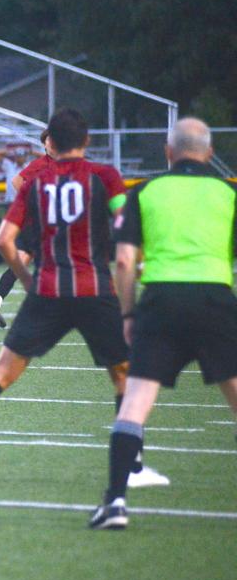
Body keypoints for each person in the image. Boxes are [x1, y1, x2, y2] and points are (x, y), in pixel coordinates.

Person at [0, 108, 166, 486]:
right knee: (123, 375)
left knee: (1, 372)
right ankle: (132, 468)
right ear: (85, 141)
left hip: (48, 288)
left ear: (51, 141)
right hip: (94, 287)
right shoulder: (104, 176)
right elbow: (125, 224)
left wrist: (27, 281)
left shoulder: (37, 182)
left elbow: (4, 239)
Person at [89, 118, 237, 529]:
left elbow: (123, 261)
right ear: (208, 153)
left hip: (161, 302)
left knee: (135, 404)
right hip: (215, 299)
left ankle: (115, 502)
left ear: (167, 152)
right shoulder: (228, 193)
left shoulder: (147, 192)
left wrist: (129, 313)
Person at [0, 133, 54, 328]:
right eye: (48, 141)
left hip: (41, 222)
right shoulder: (43, 164)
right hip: (40, 223)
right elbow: (16, 182)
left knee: (20, 264)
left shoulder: (62, 164)